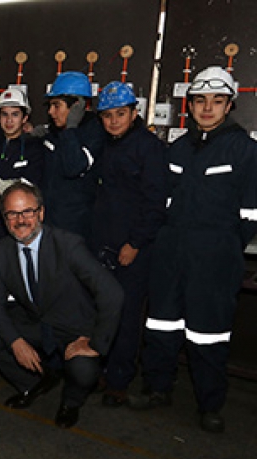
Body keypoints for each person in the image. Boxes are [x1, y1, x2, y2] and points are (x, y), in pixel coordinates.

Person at [128, 66, 257, 433]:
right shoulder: (179, 147)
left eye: (217, 101)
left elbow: (251, 214)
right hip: (170, 253)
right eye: (200, 100)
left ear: (229, 105)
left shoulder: (246, 151)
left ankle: (209, 404)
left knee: (209, 333)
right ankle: (157, 388)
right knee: (161, 325)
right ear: (191, 104)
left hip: (214, 257)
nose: (207, 108)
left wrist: (225, 246)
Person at [0, 181, 123, 428]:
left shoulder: (68, 244)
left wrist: (95, 343)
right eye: (12, 214)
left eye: (27, 212)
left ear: (41, 212)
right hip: (35, 323)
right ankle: (32, 384)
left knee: (84, 370)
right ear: (4, 219)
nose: (20, 220)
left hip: (73, 328)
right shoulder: (1, 251)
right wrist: (16, 342)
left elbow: (112, 293)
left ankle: (70, 403)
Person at [92, 81, 168, 407]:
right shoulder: (104, 145)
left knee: (126, 316)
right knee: (102, 312)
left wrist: (135, 243)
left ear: (134, 112)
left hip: (131, 251)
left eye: (120, 114)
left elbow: (155, 202)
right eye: (107, 115)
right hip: (103, 245)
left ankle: (119, 381)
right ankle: (102, 369)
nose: (113, 121)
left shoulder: (148, 148)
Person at [39, 71, 106, 241]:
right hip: (47, 224)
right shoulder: (53, 133)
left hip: (76, 229)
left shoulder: (95, 133)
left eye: (57, 106)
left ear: (77, 106)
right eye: (50, 106)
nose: (51, 112)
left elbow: (74, 167)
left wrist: (70, 129)